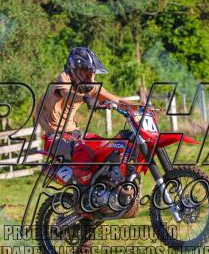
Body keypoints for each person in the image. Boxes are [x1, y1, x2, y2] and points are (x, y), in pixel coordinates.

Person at [33, 47, 136, 184]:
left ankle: (112, 182)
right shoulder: (63, 79)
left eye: (93, 74)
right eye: (87, 73)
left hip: (74, 134)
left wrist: (142, 107)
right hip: (55, 138)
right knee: (84, 151)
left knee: (110, 146)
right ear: (76, 70)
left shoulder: (87, 85)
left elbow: (117, 100)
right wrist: (85, 98)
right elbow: (68, 94)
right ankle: (83, 186)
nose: (91, 79)